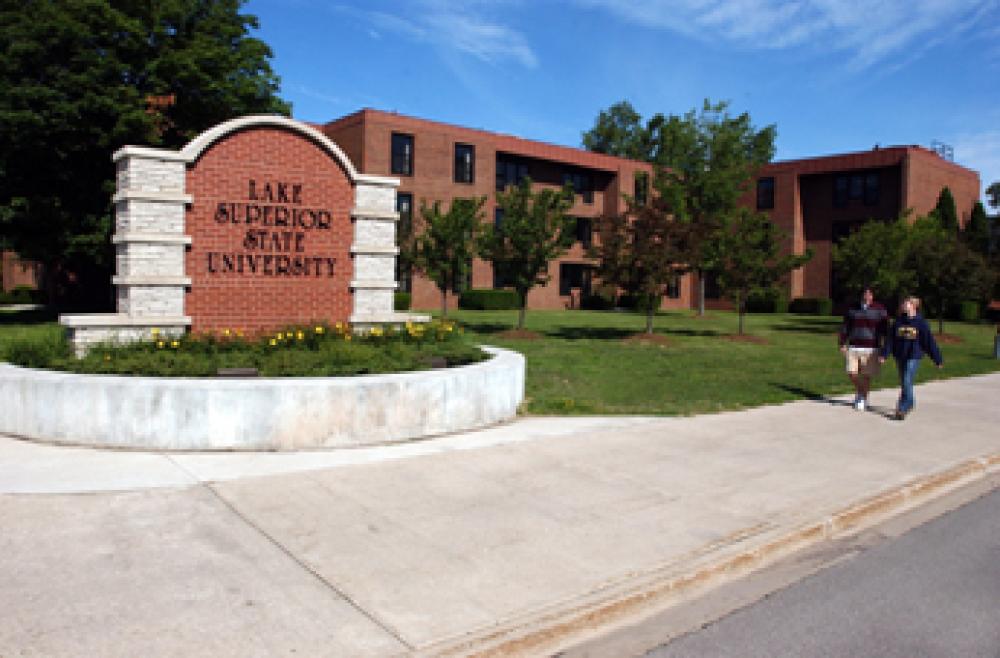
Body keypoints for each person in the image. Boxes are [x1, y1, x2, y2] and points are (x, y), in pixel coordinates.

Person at [879, 296, 942, 420]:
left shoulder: (921, 323)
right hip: (900, 355)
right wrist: (884, 354)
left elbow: (929, 342)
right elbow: (890, 340)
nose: (903, 305)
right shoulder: (898, 322)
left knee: (907, 379)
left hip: (914, 355)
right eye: (903, 303)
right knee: (904, 381)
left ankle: (905, 406)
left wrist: (937, 359)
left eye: (906, 303)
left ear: (914, 306)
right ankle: (907, 404)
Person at [838, 286, 888, 411]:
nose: (867, 296)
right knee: (851, 372)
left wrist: (885, 349)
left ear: (873, 296)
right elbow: (846, 327)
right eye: (865, 294)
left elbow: (885, 330)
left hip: (871, 348)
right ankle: (860, 392)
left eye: (870, 294)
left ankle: (862, 399)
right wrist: (842, 343)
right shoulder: (852, 309)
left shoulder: (879, 310)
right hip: (854, 346)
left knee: (866, 375)